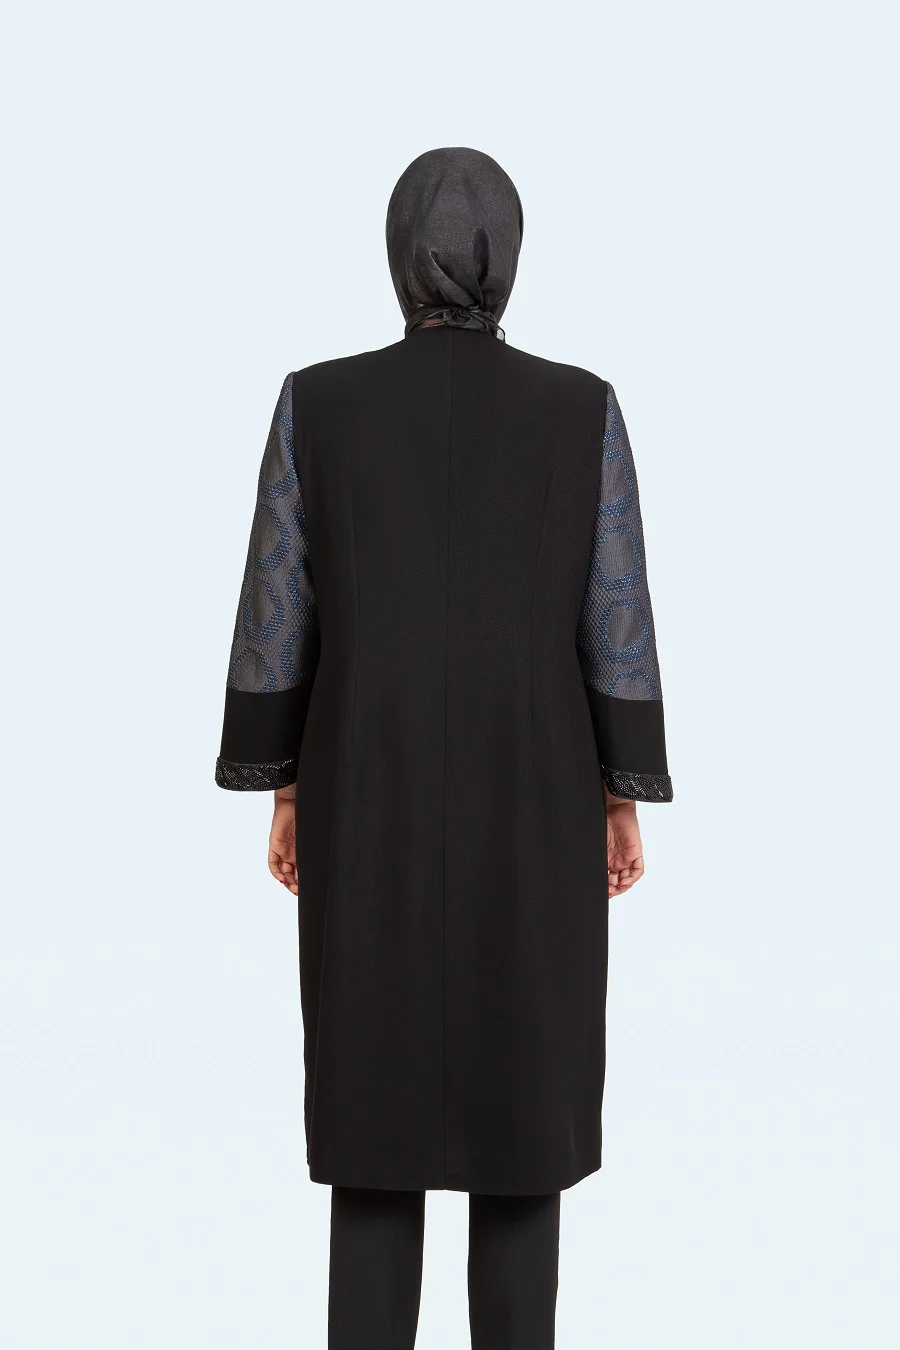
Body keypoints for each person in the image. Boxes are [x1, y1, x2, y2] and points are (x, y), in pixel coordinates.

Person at [215, 146, 673, 1350]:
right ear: (509, 253)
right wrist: (620, 792)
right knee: (523, 1126)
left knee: (374, 1120)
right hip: (539, 791)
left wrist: (283, 784)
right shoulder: (581, 408)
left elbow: (279, 609)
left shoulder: (318, 402)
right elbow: (614, 616)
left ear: (395, 250)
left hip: (365, 785)